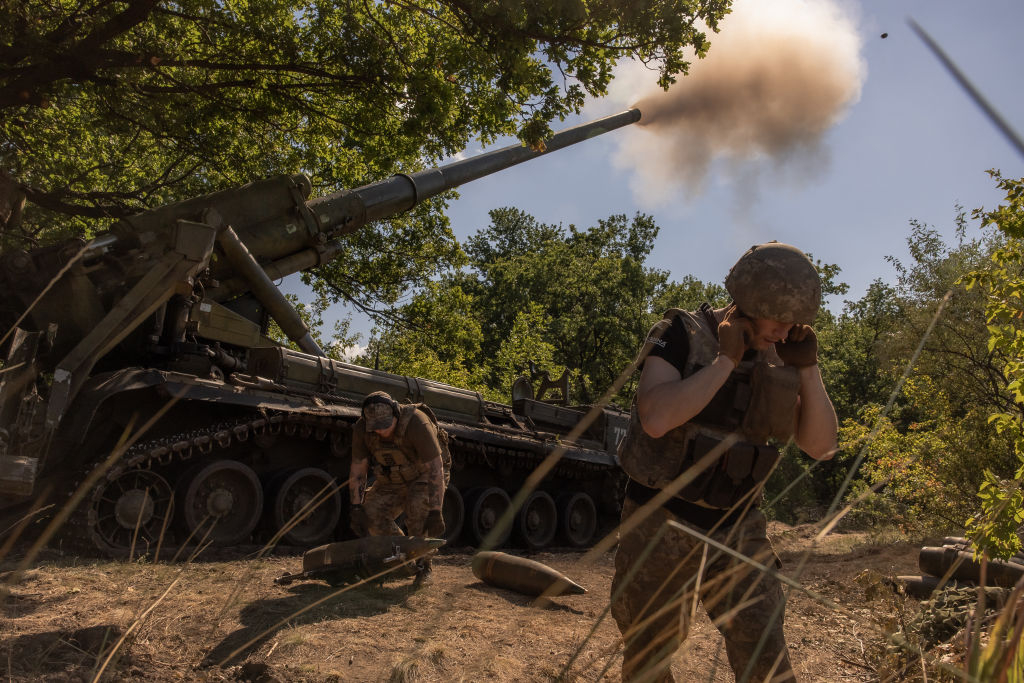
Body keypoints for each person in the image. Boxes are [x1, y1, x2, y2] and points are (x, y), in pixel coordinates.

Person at [610, 242, 838, 682]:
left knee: (765, 653)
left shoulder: (780, 356)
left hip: (738, 529)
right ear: (749, 301)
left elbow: (821, 447)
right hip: (662, 523)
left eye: (796, 322)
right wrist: (724, 362)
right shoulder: (680, 332)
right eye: (779, 318)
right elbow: (656, 418)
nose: (786, 329)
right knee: (649, 657)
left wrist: (808, 370)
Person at [348, 391, 449, 584]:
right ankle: (401, 559)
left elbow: (436, 468)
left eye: (386, 425)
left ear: (396, 414)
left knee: (419, 511)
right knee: (370, 515)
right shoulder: (362, 429)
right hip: (391, 479)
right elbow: (358, 470)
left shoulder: (417, 423)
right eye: (376, 427)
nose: (382, 432)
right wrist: (355, 507)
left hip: (424, 475)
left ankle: (423, 566)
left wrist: (436, 511)